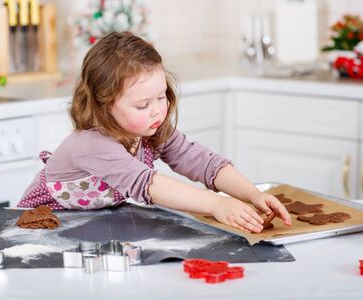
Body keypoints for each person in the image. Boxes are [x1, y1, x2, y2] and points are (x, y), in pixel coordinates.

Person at [18, 31, 292, 234]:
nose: (156, 111)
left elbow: (203, 163)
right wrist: (217, 205)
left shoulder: (150, 130)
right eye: (142, 104)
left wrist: (252, 194)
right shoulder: (90, 144)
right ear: (103, 106)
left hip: (92, 225)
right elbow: (148, 184)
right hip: (43, 226)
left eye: (161, 97)